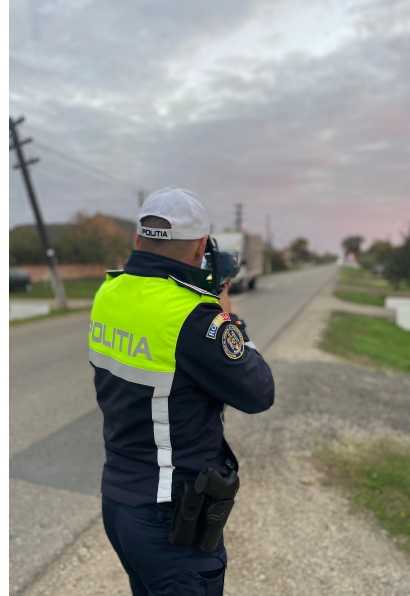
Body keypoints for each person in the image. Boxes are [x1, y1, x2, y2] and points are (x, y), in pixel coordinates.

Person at [88, 187, 275, 596]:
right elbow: (259, 392)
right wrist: (229, 317)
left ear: (138, 240)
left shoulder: (108, 293)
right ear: (200, 248)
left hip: (117, 502)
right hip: (169, 520)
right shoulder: (194, 316)